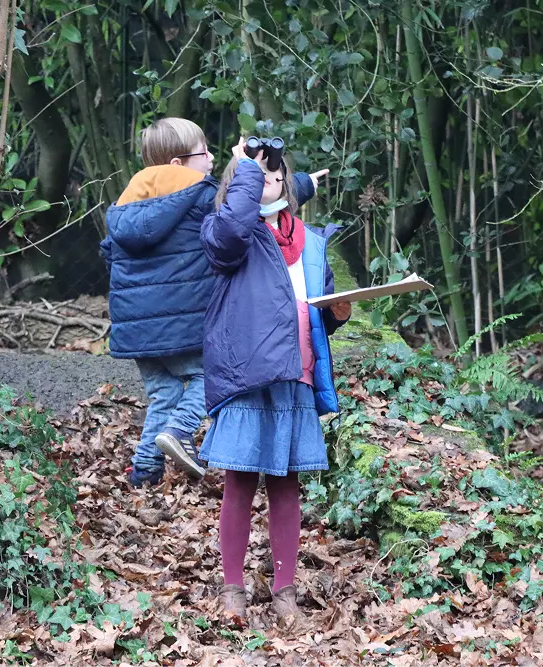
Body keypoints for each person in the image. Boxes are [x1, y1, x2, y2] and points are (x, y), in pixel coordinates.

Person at [100, 119, 327, 487]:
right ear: (177, 164)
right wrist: (302, 183)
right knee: (212, 376)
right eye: (202, 152)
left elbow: (110, 256)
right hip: (184, 325)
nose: (211, 158)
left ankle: (144, 471)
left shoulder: (125, 205)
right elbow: (245, 206)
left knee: (164, 393)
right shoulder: (201, 196)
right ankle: (181, 430)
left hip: (136, 331)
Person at [199, 137, 351, 629]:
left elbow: (312, 311)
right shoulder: (227, 233)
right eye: (258, 176)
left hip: (296, 375)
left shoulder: (309, 238)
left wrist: (337, 315)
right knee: (240, 483)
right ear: (238, 182)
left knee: (287, 487)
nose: (270, 182)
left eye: (276, 175)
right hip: (247, 376)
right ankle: (232, 590)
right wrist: (246, 168)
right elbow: (230, 233)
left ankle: (285, 593)